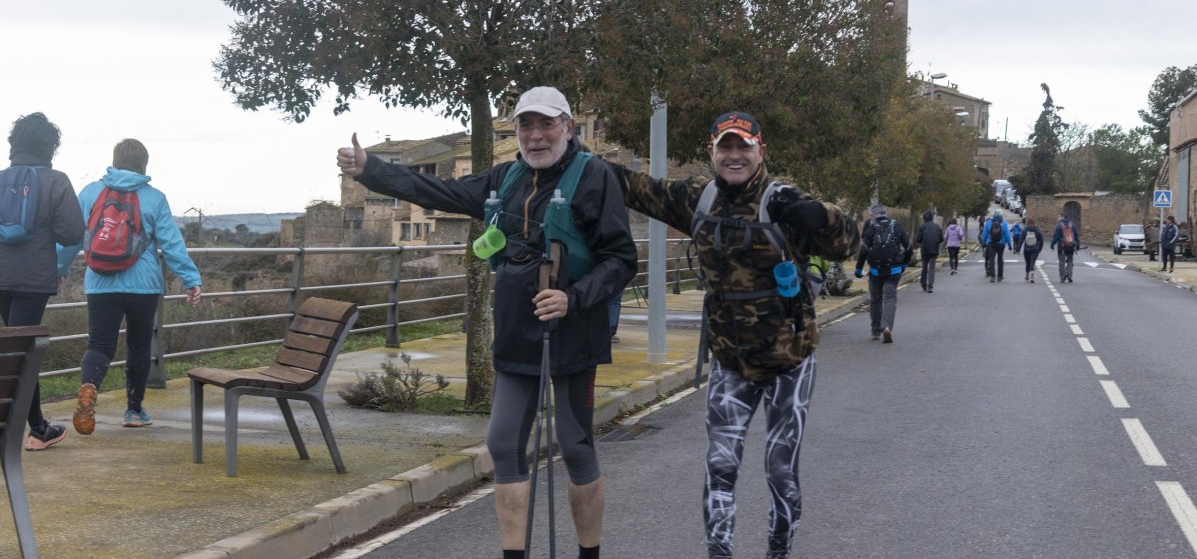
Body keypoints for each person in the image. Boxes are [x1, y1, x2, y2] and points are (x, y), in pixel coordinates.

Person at [338, 86, 637, 559]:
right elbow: (441, 191)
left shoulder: (594, 176)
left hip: (575, 332)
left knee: (576, 446)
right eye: (526, 125)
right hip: (516, 331)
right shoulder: (505, 177)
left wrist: (573, 298)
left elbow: (620, 259)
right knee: (502, 444)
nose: (536, 136)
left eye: (546, 125)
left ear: (567, 127)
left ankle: (589, 555)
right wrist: (371, 168)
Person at [603, 111, 857, 559]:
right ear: (712, 152)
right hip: (730, 362)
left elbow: (850, 245)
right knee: (720, 465)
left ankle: (778, 551)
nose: (734, 155)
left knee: (780, 469)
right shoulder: (697, 200)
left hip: (789, 361)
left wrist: (824, 215)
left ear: (761, 151)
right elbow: (632, 186)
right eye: (726, 147)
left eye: (744, 147)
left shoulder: (784, 202)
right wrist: (566, 152)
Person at [58, 139, 202, 436]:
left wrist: (58, 268)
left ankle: (89, 388)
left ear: (115, 160)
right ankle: (134, 410)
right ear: (143, 164)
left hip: (100, 283)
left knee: (99, 345)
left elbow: (71, 237)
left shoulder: (91, 192)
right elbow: (171, 244)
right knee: (138, 344)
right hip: (143, 285)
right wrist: (190, 279)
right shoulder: (154, 198)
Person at [0, 113, 85, 450]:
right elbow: (72, 233)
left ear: (14, 143)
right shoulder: (56, 181)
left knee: (17, 351)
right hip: (32, 280)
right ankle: (35, 429)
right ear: (50, 146)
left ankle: (38, 426)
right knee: (22, 352)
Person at [855, 204, 911, 343]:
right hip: (894, 270)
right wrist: (904, 264)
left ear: (872, 215)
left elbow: (864, 250)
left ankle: (875, 332)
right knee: (890, 298)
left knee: (875, 299)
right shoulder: (896, 226)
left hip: (876, 271)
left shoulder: (871, 228)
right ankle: (886, 327)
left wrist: (858, 269)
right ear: (886, 213)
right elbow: (909, 247)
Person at [915, 210, 943, 293]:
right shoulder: (937, 226)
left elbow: (918, 239)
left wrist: (923, 241)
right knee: (932, 268)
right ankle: (930, 286)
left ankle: (923, 284)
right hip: (934, 249)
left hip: (925, 249)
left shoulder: (922, 226)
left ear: (924, 218)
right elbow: (941, 239)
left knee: (924, 267)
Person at [982, 211, 1012, 282]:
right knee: (1000, 259)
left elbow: (984, 234)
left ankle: (992, 276)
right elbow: (1007, 235)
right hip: (1001, 244)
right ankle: (1000, 276)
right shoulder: (1004, 223)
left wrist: (983, 243)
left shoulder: (989, 222)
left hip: (991, 243)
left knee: (991, 259)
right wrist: (1009, 245)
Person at [1049, 213, 1077, 283]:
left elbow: (1055, 237)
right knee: (1070, 261)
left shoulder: (1059, 226)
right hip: (1071, 246)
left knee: (1062, 262)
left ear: (1062, 217)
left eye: (1058, 217)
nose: (1057, 218)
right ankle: (1069, 275)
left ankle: (1062, 277)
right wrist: (1077, 245)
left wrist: (1052, 245)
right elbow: (1076, 236)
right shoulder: (1072, 225)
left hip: (1062, 246)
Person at [1019, 218, 1044, 283]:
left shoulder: (1025, 230)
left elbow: (1021, 240)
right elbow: (1041, 241)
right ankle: (1032, 273)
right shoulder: (1037, 230)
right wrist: (1040, 248)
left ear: (1027, 223)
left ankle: (1027, 276)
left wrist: (1018, 249)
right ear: (1034, 223)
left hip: (1026, 249)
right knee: (1032, 261)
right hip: (1035, 249)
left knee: (1027, 262)